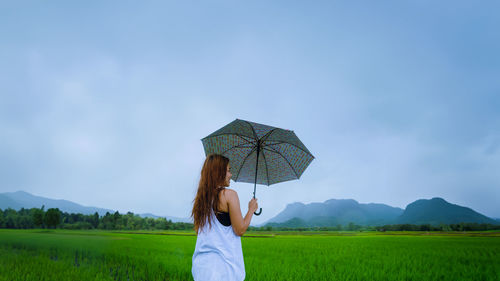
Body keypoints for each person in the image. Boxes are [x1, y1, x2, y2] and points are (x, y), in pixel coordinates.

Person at [191, 154, 259, 281]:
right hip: (223, 270)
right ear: (219, 172)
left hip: (201, 269)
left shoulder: (201, 200)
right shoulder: (229, 195)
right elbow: (240, 230)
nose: (231, 175)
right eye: (228, 170)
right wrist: (251, 210)